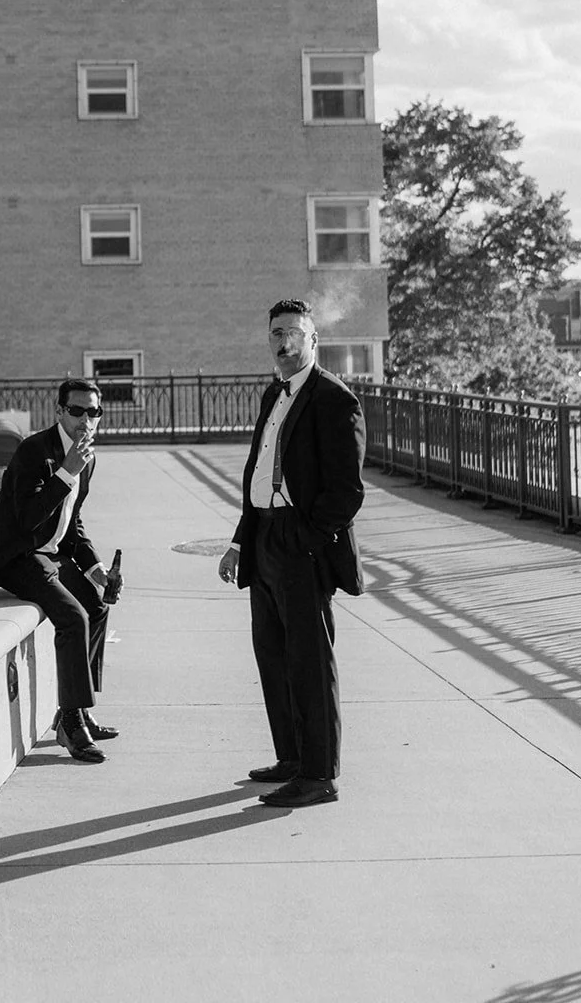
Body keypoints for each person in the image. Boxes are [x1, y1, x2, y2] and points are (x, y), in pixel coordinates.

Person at [218, 298, 365, 807]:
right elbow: (259, 475)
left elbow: (347, 493)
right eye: (276, 334)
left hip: (300, 545)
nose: (283, 343)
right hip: (263, 538)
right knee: (274, 656)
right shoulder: (273, 395)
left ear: (312, 340)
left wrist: (304, 540)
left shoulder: (333, 399)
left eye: (293, 334)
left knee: (309, 662)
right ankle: (293, 757)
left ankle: (319, 774)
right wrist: (241, 540)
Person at [0, 378, 118, 763]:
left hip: (49, 553)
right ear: (59, 412)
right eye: (77, 411)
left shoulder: (87, 456)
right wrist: (66, 472)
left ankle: (79, 709)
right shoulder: (34, 451)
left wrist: (95, 569)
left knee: (97, 605)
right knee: (73, 617)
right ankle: (70, 722)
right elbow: (28, 520)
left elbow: (73, 522)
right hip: (16, 555)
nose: (87, 420)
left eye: (94, 412)